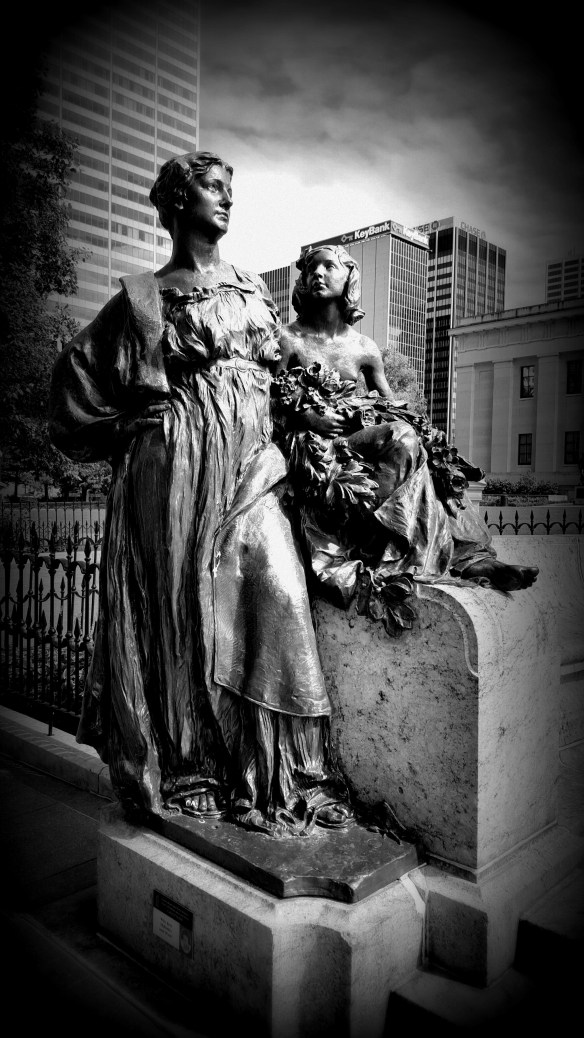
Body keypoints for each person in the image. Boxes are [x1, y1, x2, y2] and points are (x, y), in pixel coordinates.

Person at [49, 153, 352, 836]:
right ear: (179, 201)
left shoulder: (251, 287)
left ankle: (291, 772)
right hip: (175, 464)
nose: (227, 202)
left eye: (230, 191)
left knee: (278, 586)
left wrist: (336, 420)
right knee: (181, 607)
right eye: (215, 189)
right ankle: (192, 766)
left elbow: (289, 369)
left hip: (253, 460)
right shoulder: (141, 297)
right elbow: (71, 383)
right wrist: (124, 423)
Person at [273, 245, 538, 620]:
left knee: (427, 453)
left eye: (329, 266)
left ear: (349, 278)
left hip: (359, 441)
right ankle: (404, 550)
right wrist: (309, 418)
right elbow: (268, 402)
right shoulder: (289, 339)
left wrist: (430, 438)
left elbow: (395, 407)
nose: (318, 273)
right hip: (318, 448)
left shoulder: (365, 348)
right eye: (311, 268)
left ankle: (474, 557)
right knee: (402, 439)